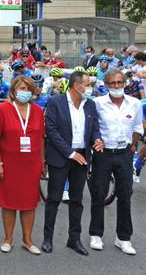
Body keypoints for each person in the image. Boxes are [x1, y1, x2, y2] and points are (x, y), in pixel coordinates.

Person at [41, 71, 103, 255]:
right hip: (61, 157)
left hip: (82, 157)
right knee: (54, 199)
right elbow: (51, 131)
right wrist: (70, 153)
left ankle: (73, 239)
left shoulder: (90, 105)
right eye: (88, 84)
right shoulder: (55, 102)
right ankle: (47, 239)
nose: (90, 88)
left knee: (77, 200)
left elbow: (94, 129)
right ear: (77, 86)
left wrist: (97, 140)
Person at [89, 68, 143, 255]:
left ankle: (123, 238)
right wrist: (96, 141)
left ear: (125, 83)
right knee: (99, 194)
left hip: (124, 154)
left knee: (125, 195)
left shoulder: (134, 103)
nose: (117, 86)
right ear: (106, 85)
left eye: (120, 82)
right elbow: (93, 126)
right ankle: (96, 234)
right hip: (103, 154)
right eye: (112, 83)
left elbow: (137, 128)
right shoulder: (98, 103)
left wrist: (132, 147)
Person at [0, 76, 45, 255]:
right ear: (13, 91)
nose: (25, 91)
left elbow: (41, 139)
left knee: (29, 203)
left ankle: (27, 240)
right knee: (9, 202)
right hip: (9, 163)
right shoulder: (3, 109)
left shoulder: (37, 110)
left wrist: (42, 161)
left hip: (31, 163)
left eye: (28, 88)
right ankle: (8, 238)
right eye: (21, 88)